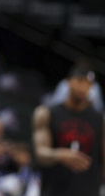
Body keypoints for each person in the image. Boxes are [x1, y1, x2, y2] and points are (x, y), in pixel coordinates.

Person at [32, 62, 105, 196]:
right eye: (79, 81)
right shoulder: (46, 113)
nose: (83, 87)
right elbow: (40, 153)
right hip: (54, 190)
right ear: (68, 82)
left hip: (89, 191)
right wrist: (60, 155)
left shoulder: (100, 119)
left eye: (88, 84)